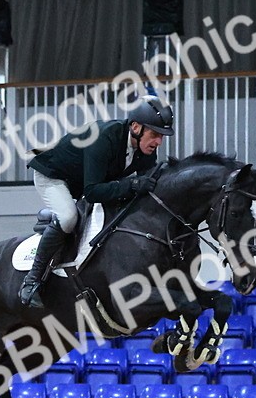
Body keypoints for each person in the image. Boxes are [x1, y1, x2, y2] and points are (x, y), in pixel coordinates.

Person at [18, 95, 175, 308]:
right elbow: (92, 192)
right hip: (54, 176)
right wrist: (132, 185)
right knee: (68, 216)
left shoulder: (144, 149)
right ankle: (32, 280)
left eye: (162, 137)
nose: (158, 142)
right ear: (136, 127)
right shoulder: (104, 138)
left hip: (84, 180)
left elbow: (145, 186)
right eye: (155, 134)